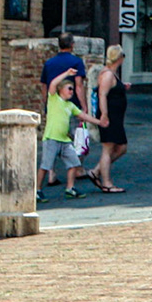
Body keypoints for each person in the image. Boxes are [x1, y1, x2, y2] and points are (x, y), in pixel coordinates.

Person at [37, 70, 99, 201]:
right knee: (45, 166)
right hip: (51, 138)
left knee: (74, 163)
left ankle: (70, 189)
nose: (72, 91)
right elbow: (53, 83)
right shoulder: (54, 99)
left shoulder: (70, 105)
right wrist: (67, 73)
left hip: (65, 140)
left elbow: (83, 116)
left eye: (72, 89)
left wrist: (100, 122)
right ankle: (37, 190)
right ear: (61, 90)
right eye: (69, 89)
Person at [90, 44, 129, 193]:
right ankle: (106, 182)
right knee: (108, 148)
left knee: (121, 147)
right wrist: (104, 114)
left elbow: (112, 90)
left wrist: (123, 87)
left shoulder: (113, 74)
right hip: (110, 116)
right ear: (119, 58)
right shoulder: (107, 74)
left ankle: (96, 171)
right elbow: (102, 94)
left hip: (117, 116)